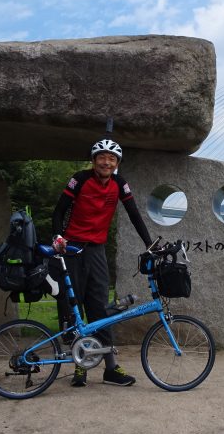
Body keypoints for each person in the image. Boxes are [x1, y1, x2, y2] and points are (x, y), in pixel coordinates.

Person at [51, 138, 153, 387]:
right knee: (75, 307)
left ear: (117, 163)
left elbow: (134, 213)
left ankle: (110, 368)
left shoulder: (119, 184)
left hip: (96, 251)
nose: (106, 162)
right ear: (94, 160)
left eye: (112, 158)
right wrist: (57, 236)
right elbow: (59, 210)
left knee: (100, 309)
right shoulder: (80, 179)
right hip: (72, 249)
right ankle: (80, 366)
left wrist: (149, 244)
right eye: (102, 157)